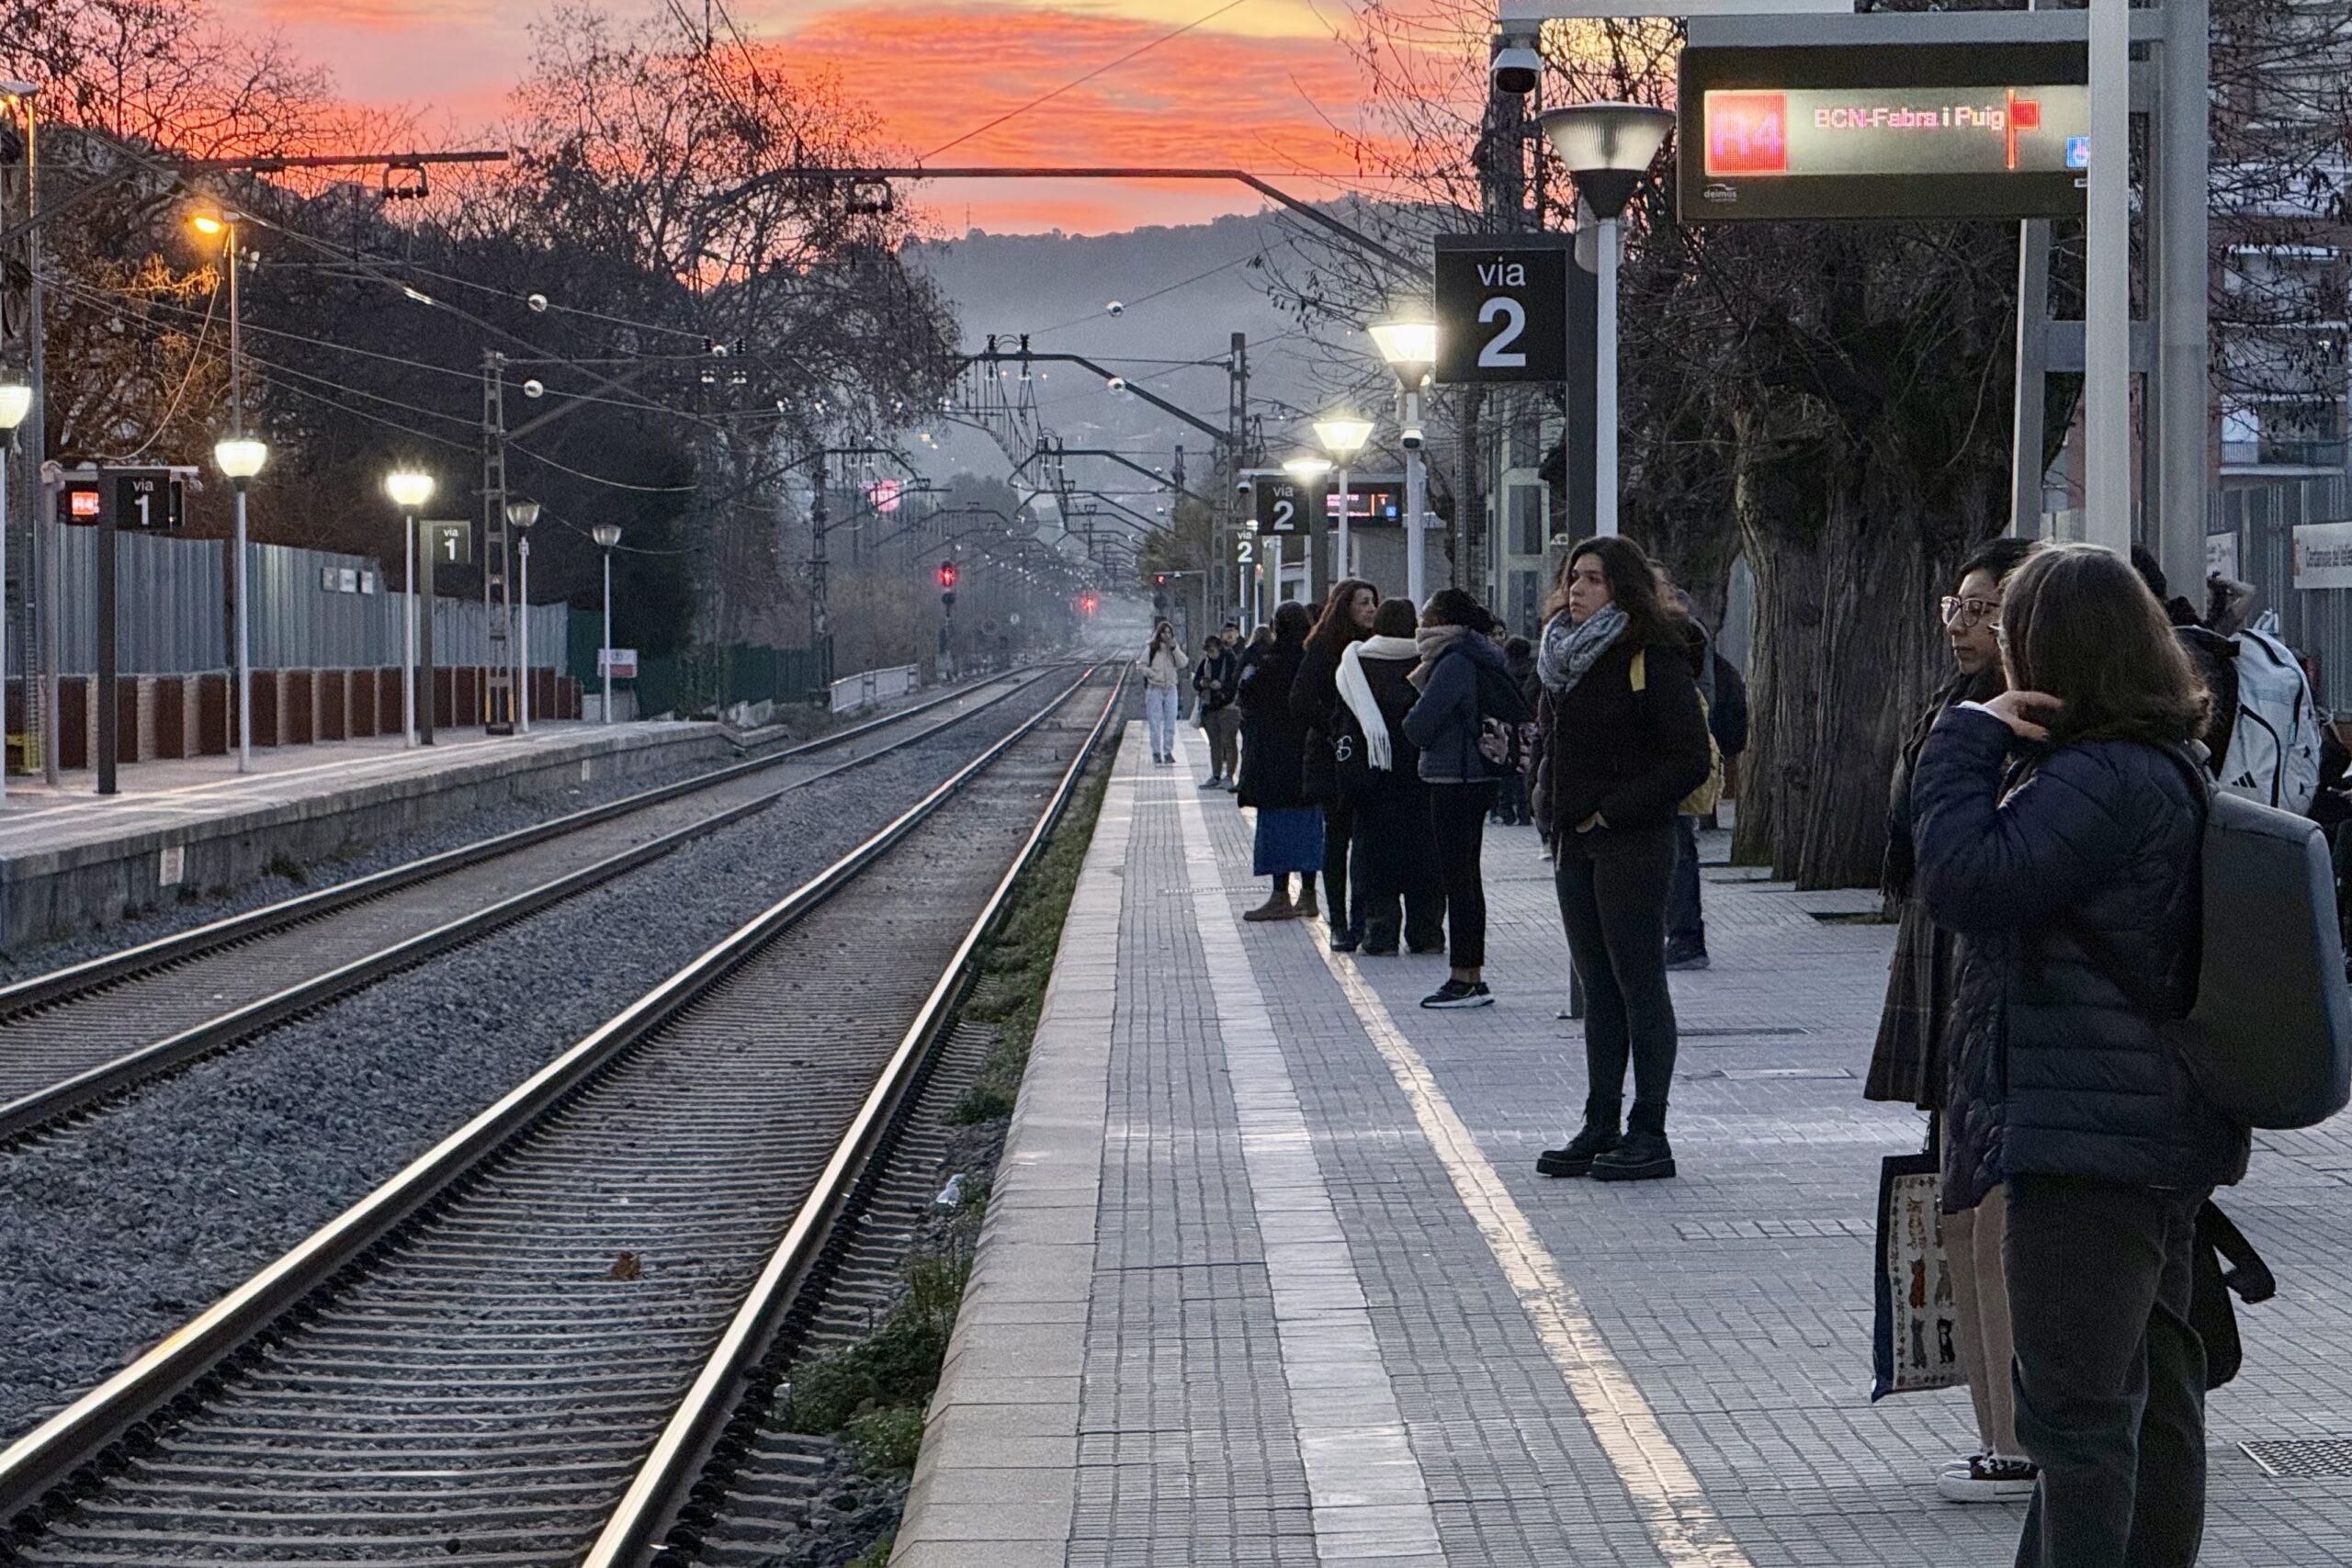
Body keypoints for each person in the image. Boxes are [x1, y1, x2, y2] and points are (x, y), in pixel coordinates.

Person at [1913, 543, 2248, 1567]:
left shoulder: (2100, 779)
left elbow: (1965, 879)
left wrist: (1959, 742)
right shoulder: (2164, 763)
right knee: (2150, 1395)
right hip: (2145, 1126)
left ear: (2051, 649)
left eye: (2010, 630)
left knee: (2075, 1418)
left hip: (2084, 1139)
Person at [1864, 535, 2041, 1504]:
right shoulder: (1955, 710)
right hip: (1946, 960)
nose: (1964, 626)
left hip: (1999, 977)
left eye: (1986, 610)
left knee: (1994, 1219)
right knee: (1960, 1205)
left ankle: (2020, 1437)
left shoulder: (2043, 730)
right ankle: (1995, 1433)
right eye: (1956, 607)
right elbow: (1907, 836)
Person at [1532, 537, 1713, 1181]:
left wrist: (1613, 810)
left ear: (1623, 589)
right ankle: (1600, 1119)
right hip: (1572, 839)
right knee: (1597, 984)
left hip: (1631, 840)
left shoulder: (1650, 656)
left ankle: (1649, 1128)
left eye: (1594, 579)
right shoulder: (1560, 655)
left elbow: (1688, 759)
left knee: (1639, 981)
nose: (1577, 589)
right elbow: (1550, 742)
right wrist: (1544, 799)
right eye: (1573, 577)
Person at [1403, 589, 1529, 1008]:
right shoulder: (1478, 655)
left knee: (1458, 880)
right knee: (1466, 878)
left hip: (1455, 776)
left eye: (1426, 616)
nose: (1420, 625)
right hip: (1476, 775)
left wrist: (1410, 720)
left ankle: (1464, 978)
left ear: (1443, 621)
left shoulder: (1454, 662)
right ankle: (1470, 974)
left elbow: (1420, 725)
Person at [1333, 597, 1445, 956]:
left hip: (1374, 780)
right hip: (1422, 778)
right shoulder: (1428, 662)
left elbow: (1342, 722)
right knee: (1426, 858)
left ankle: (1380, 933)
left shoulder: (1355, 665)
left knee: (1375, 859)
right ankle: (1426, 933)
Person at [1294, 579, 1379, 951]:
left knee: (1363, 842)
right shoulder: (1324, 648)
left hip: (1366, 757)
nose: (1371, 609)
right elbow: (1300, 699)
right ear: (1346, 607)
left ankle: (1361, 919)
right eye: (1363, 603)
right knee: (1337, 839)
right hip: (1332, 759)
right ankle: (1339, 922)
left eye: (1373, 602)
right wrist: (1335, 726)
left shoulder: (1374, 647)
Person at [1236, 603, 1320, 921]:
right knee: (1309, 826)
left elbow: (1246, 696)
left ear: (1276, 627)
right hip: (1308, 758)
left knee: (1276, 828)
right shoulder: (1313, 662)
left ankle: (1280, 895)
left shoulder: (1269, 664)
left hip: (1273, 761)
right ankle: (1309, 896)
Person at [1655, 565, 1718, 971]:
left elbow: (1704, 693)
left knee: (1678, 847)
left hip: (1673, 756)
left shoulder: (1686, 634)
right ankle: (1673, 933)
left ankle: (1685, 937)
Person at [1491, 636, 1538, 826]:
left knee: (1507, 767)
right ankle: (1525, 811)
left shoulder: (1502, 669)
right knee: (1525, 767)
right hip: (1527, 723)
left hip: (1506, 723)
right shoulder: (1533, 670)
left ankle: (1506, 810)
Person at [1193, 633, 1243, 788]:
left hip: (1228, 708)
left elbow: (1235, 683)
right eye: (1208, 651)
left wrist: (1221, 687)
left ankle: (1229, 776)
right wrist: (1202, 684)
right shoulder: (1206, 662)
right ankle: (1216, 775)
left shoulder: (1231, 661)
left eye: (1213, 651)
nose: (1210, 654)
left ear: (1219, 649)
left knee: (1229, 742)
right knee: (1215, 743)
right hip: (1210, 708)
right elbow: (1196, 681)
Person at [1137, 621, 1189, 766]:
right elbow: (1141, 666)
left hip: (1171, 688)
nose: (1167, 635)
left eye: (1169, 632)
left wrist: (1175, 649)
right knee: (1154, 722)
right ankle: (1156, 752)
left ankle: (1168, 751)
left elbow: (1183, 663)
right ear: (1159, 634)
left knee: (1170, 721)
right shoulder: (1152, 648)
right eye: (1164, 632)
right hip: (1155, 689)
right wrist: (1153, 675)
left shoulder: (1174, 649)